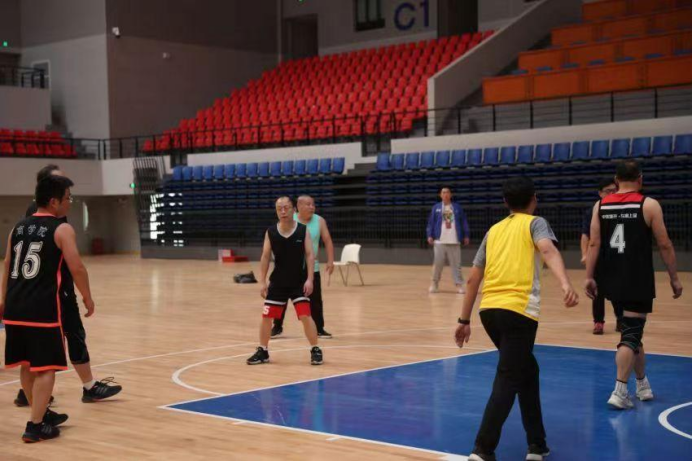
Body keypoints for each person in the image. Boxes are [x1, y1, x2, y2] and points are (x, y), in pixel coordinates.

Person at [455, 177, 579, 461]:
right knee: (508, 378)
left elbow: (473, 277)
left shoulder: (493, 231)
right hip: (519, 312)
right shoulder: (536, 223)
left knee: (527, 371)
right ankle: (482, 449)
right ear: (534, 199)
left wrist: (464, 320)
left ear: (505, 202)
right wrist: (565, 283)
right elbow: (548, 249)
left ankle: (537, 444)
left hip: (489, 312)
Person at [14, 164, 121, 407]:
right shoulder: (51, 217)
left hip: (34, 291)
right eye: (60, 181)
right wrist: (87, 296)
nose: (66, 188)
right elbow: (75, 265)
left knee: (39, 342)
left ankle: (28, 392)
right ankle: (87, 387)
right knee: (69, 335)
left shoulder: (33, 214)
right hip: (53, 290)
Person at [1, 175, 94, 442]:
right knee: (46, 368)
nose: (69, 203)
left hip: (14, 307)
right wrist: (87, 298)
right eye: (67, 198)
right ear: (54, 201)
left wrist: (3, 300)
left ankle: (39, 413)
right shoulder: (61, 229)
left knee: (26, 365)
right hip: (41, 309)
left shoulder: (17, 227)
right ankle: (35, 426)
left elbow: (7, 264)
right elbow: (77, 268)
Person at [585, 160, 683, 410]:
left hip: (611, 279)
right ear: (640, 178)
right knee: (630, 335)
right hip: (637, 279)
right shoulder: (648, 204)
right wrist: (674, 277)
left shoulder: (600, 205)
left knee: (632, 332)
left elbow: (594, 244)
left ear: (616, 180)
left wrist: (589, 276)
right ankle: (620, 390)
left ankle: (642, 384)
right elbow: (664, 244)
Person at [246, 196, 323, 366]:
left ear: (293, 210)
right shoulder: (271, 232)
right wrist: (262, 282)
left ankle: (315, 349)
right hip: (278, 282)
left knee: (305, 315)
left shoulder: (302, 230)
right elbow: (265, 256)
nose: (283, 211)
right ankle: (263, 350)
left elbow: (310, 255)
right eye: (279, 208)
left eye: (286, 207)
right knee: (267, 316)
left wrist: (310, 279)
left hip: (299, 282)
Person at [271, 195, 335, 339]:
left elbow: (327, 240)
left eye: (313, 204)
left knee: (315, 301)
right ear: (298, 207)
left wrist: (330, 261)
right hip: (290, 268)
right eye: (308, 204)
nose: (312, 207)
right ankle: (277, 327)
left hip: (312, 267)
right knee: (281, 299)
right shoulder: (289, 218)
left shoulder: (319, 221)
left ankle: (319, 328)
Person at [581, 178, 622, 335]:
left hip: (618, 255)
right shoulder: (593, 210)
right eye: (608, 191)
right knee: (597, 291)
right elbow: (586, 235)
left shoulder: (623, 209)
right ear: (600, 193)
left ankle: (620, 319)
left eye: (614, 191)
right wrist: (585, 254)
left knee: (618, 290)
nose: (612, 193)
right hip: (598, 256)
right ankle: (598, 322)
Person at [426, 186, 470, 294]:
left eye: (447, 192)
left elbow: (464, 222)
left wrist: (466, 235)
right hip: (439, 240)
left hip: (454, 240)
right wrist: (430, 235)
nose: (445, 194)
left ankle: (459, 285)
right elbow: (431, 223)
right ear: (440, 195)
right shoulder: (436, 207)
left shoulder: (457, 207)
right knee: (438, 264)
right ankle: (434, 284)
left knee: (456, 265)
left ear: (451, 194)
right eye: (443, 192)